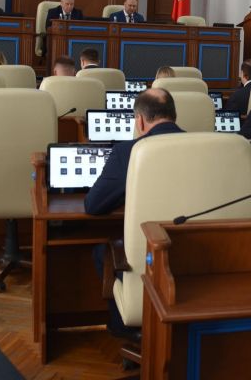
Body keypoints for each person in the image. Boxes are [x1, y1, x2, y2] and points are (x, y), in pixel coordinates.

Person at [84, 89, 184, 341]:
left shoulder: (129, 152)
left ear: (139, 121)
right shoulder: (210, 148)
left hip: (150, 262)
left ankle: (127, 331)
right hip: (198, 262)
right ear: (174, 115)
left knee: (102, 251)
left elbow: (93, 205)